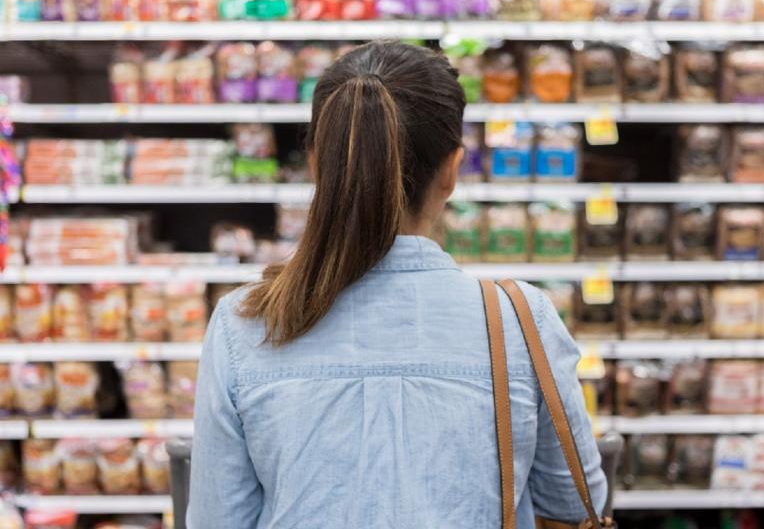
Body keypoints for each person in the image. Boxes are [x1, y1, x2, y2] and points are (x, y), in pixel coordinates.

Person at [189, 41, 607, 528]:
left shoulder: (246, 322)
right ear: (452, 170)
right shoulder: (518, 317)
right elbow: (577, 507)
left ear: (318, 165)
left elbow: (218, 518)